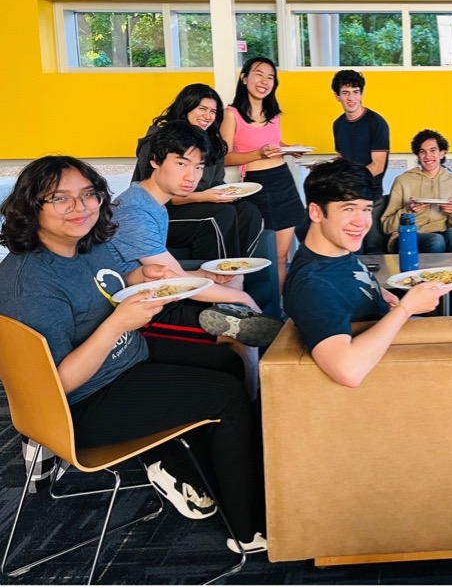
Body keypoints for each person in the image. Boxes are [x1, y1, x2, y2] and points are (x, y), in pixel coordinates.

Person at [0, 156, 267, 554]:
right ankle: (248, 529)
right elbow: (56, 385)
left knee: (229, 360)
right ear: (30, 207)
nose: (81, 207)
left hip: (125, 358)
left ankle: (187, 460)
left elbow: (106, 284)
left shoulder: (85, 244)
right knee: (225, 395)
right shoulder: (31, 284)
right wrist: (117, 324)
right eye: (60, 198)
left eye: (88, 194)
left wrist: (141, 278)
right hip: (82, 405)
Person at [109, 120, 282, 399]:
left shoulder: (153, 202)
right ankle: (253, 401)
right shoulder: (134, 211)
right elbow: (176, 280)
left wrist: (211, 278)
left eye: (199, 167)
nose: (192, 175)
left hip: (157, 290)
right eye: (181, 164)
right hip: (142, 313)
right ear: (155, 161)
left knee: (233, 281)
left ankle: (250, 361)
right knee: (242, 322)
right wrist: (241, 300)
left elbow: (171, 273)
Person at [283, 158, 452, 388]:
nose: (361, 222)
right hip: (399, 374)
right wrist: (406, 308)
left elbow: (344, 284)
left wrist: (378, 292)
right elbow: (348, 371)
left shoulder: (333, 253)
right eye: (348, 208)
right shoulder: (313, 286)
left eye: (366, 209)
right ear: (315, 212)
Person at [132, 83, 263, 260]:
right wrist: (204, 196)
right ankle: (216, 275)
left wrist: (227, 193)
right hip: (159, 211)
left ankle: (236, 268)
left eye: (213, 111)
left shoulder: (211, 143)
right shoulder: (160, 140)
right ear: (186, 108)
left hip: (197, 205)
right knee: (221, 214)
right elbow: (157, 194)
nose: (207, 116)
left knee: (249, 211)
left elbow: (216, 183)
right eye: (202, 109)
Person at [222, 56, 307, 291]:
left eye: (270, 77)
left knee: (282, 256)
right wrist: (258, 154)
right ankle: (262, 309)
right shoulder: (232, 114)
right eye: (259, 74)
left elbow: (272, 143)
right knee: (264, 255)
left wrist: (289, 149)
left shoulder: (274, 114)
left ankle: (281, 310)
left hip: (283, 181)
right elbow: (226, 157)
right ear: (244, 78)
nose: (264, 81)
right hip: (256, 186)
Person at [380, 129, 452, 267]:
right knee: (436, 240)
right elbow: (386, 227)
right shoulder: (402, 180)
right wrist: (408, 211)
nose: (428, 156)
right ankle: (430, 286)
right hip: (408, 235)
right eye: (422, 151)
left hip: (443, 231)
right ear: (418, 155)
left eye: (433, 150)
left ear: (442, 153)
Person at [331, 69, 390, 200]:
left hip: (370, 196)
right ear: (337, 96)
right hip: (345, 194)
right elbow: (342, 159)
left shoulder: (376, 123)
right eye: (345, 93)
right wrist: (325, 167)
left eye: (355, 92)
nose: (351, 98)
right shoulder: (338, 124)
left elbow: (378, 166)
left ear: (361, 94)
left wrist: (349, 180)